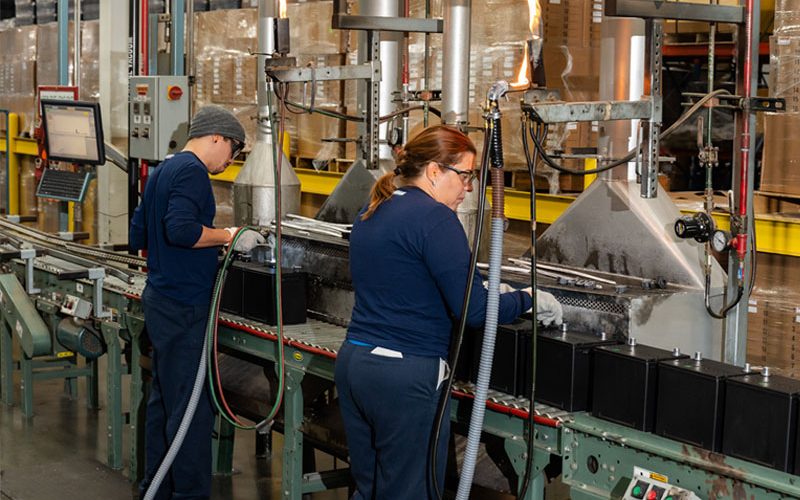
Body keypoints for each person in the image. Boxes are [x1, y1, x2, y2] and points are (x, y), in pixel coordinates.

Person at [334, 125, 563, 500]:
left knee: (371, 489)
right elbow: (473, 311)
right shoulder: (436, 219)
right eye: (465, 175)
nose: (468, 188)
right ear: (435, 171)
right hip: (404, 376)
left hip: (356, 364)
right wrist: (526, 299)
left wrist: (487, 288)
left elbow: (410, 280)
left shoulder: (373, 209)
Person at [129, 105, 264, 499]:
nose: (231, 161)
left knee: (165, 402)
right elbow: (184, 231)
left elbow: (141, 233)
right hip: (184, 305)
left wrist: (195, 255)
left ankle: (154, 487)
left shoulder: (163, 169)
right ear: (218, 137)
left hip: (160, 298)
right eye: (234, 151)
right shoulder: (192, 172)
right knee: (190, 411)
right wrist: (228, 236)